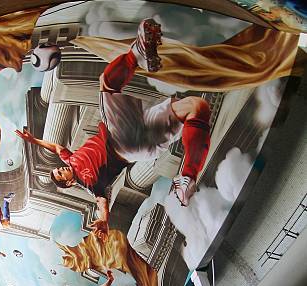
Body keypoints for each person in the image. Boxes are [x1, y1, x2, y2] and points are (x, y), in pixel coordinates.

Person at [17, 18, 210, 240]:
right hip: (120, 140)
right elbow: (101, 201)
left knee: (197, 107)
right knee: (106, 84)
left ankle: (187, 179)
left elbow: (56, 146)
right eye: (61, 173)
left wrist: (34, 140)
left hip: (141, 144)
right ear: (69, 182)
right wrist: (103, 220)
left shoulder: (69, 159)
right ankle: (137, 53)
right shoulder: (90, 183)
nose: (61, 168)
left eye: (58, 169)